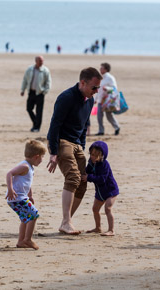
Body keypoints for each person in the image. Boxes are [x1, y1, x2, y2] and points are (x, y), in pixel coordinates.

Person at [46, 67, 102, 235]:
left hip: (77, 143)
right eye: (94, 87)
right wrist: (54, 152)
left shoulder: (90, 100)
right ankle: (66, 222)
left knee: (83, 182)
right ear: (82, 83)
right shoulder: (66, 98)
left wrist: (82, 146)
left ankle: (66, 221)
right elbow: (54, 125)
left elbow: (84, 125)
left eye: (98, 88)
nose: (96, 91)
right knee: (73, 177)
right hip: (61, 141)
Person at [6, 139, 46, 250]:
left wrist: (30, 195)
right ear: (36, 156)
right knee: (34, 215)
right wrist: (10, 189)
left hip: (19, 198)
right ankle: (27, 239)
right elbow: (9, 173)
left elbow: (27, 183)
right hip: (16, 197)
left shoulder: (29, 167)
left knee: (25, 218)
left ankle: (21, 242)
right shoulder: (25, 166)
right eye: (42, 157)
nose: (42, 160)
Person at [82, 141, 119, 236]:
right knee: (95, 209)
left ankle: (111, 230)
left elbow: (102, 179)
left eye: (95, 155)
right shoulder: (91, 162)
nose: (92, 157)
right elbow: (87, 171)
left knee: (108, 208)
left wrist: (88, 178)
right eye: (91, 154)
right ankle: (98, 228)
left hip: (110, 190)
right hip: (100, 192)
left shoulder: (104, 165)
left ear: (102, 155)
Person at [21, 56, 52, 132]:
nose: (42, 62)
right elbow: (25, 79)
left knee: (39, 111)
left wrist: (45, 91)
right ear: (36, 61)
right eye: (40, 60)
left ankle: (37, 127)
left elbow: (48, 82)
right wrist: (23, 89)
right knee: (29, 108)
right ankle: (35, 122)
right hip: (31, 92)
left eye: (42, 61)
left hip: (40, 93)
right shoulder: (30, 69)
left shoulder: (45, 70)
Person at [95, 63, 120, 136]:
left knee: (109, 116)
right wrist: (95, 99)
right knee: (99, 116)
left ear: (106, 69)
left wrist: (106, 89)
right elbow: (98, 89)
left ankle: (117, 127)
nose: (100, 69)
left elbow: (114, 89)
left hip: (107, 100)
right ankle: (101, 131)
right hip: (100, 100)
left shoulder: (110, 78)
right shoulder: (100, 77)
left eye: (101, 68)